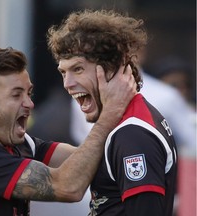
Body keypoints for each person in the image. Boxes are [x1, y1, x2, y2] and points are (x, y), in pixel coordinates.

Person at [0, 47, 136, 215]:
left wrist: (138, 153)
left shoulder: (15, 141)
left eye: (28, 93)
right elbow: (68, 186)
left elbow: (86, 159)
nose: (29, 103)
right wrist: (110, 113)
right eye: (16, 95)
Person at [46, 9, 178, 216]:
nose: (67, 84)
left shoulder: (132, 134)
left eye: (78, 69)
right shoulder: (126, 123)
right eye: (63, 72)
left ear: (112, 68)